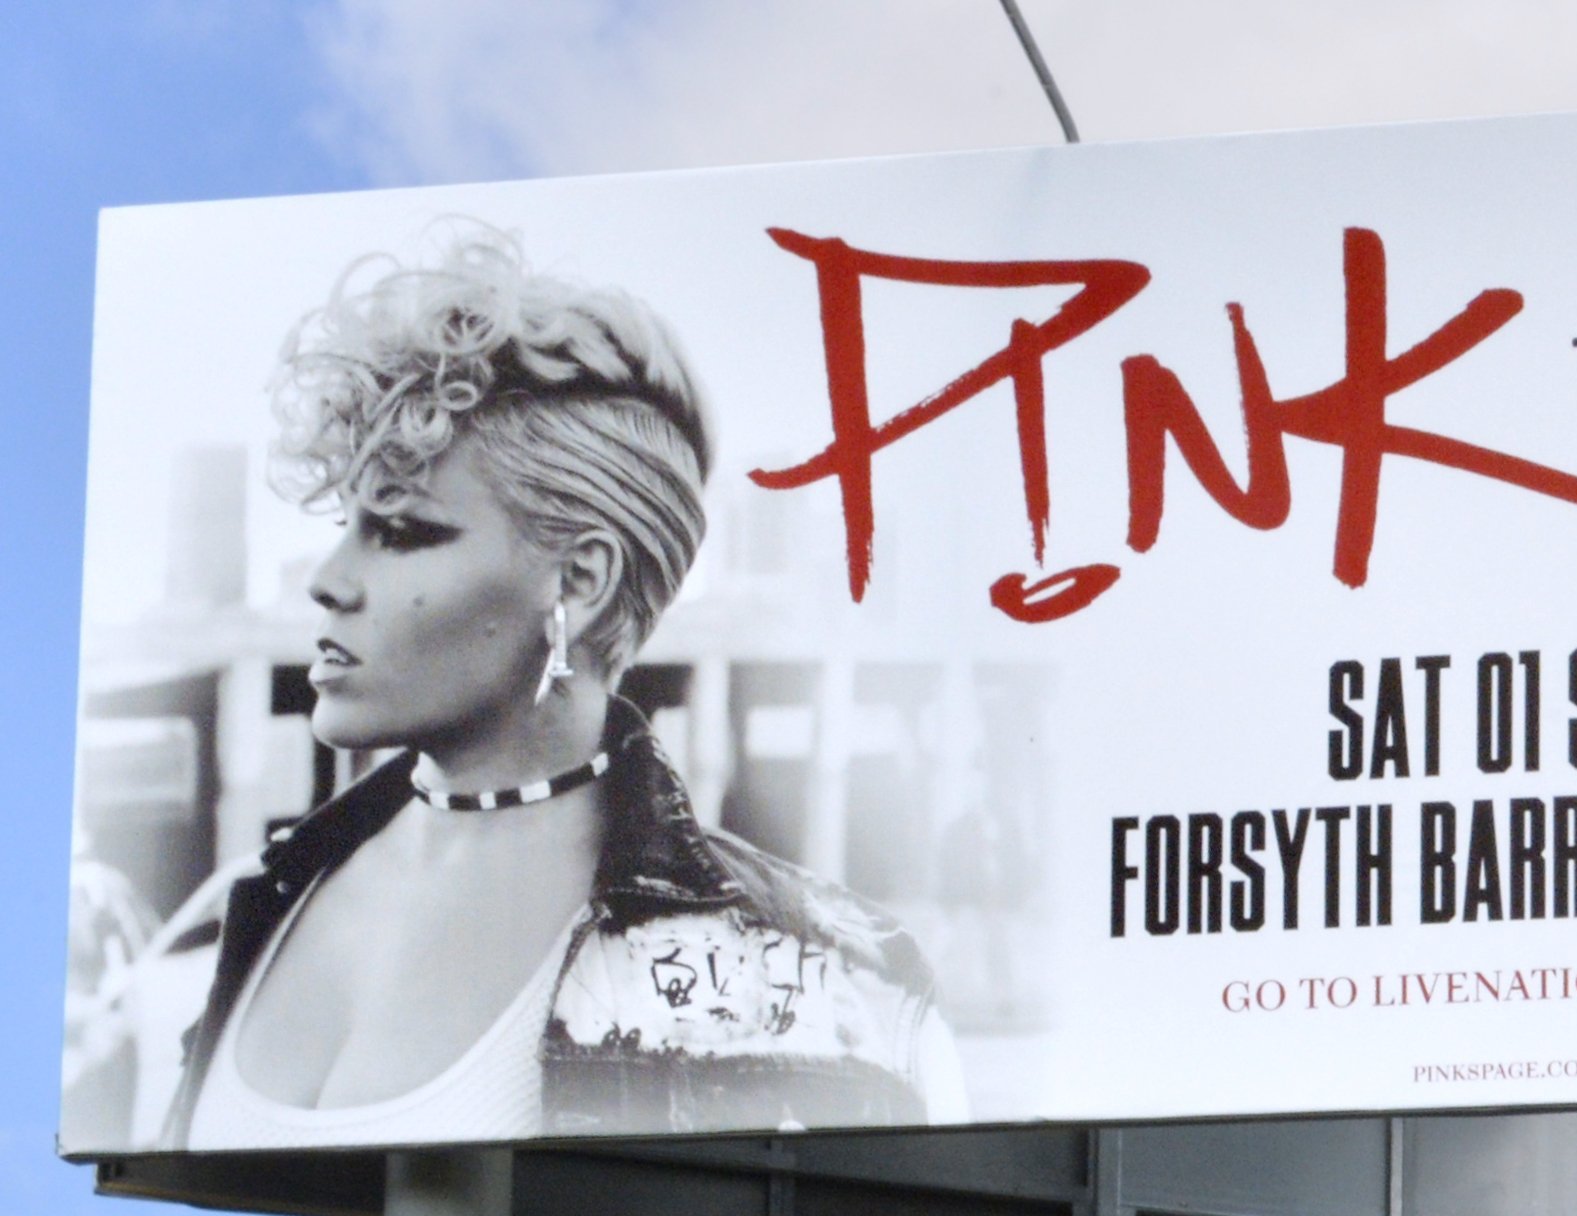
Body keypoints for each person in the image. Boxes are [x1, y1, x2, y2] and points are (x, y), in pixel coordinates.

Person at [115, 229, 960, 1151]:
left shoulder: (826, 978)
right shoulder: (266, 894)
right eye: (346, 524)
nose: (329, 578)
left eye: (402, 532)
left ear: (579, 581)